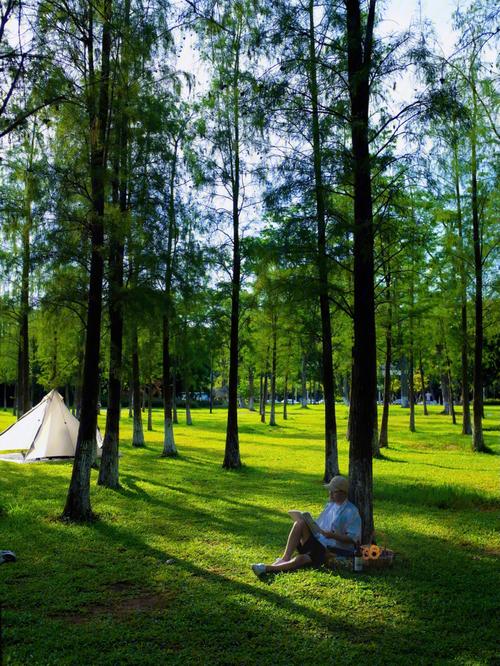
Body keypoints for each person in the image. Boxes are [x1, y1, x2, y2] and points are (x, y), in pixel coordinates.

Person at [251, 475, 361, 578]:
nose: (330, 494)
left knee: (303, 558)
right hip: (319, 541)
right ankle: (285, 558)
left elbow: (353, 539)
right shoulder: (330, 506)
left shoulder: (351, 511)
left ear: (343, 493)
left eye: (334, 492)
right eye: (330, 491)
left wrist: (332, 536)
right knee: (300, 523)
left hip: (331, 548)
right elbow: (319, 525)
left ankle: (267, 568)